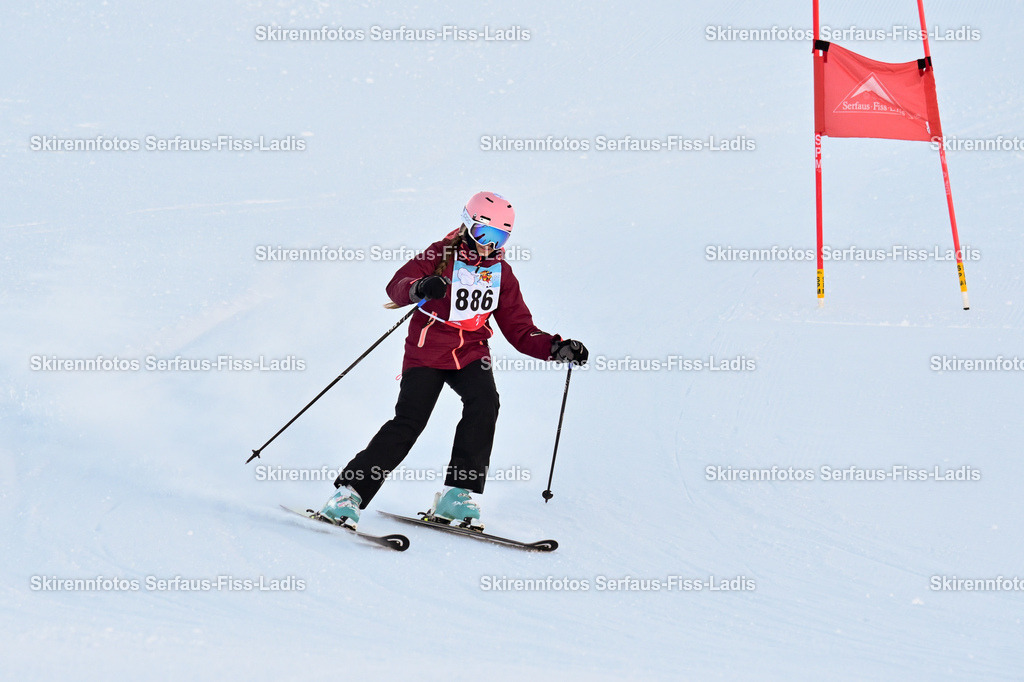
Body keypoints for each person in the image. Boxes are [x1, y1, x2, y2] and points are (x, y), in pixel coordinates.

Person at [317, 191, 588, 529]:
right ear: (468, 225)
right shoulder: (439, 254)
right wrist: (420, 287)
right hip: (428, 349)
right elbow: (396, 286)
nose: (490, 245)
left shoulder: (501, 273)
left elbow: (520, 329)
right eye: (484, 234)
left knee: (485, 403)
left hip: (471, 352)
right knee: (409, 422)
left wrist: (555, 347)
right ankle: (349, 493)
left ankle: (457, 494)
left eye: (500, 237)